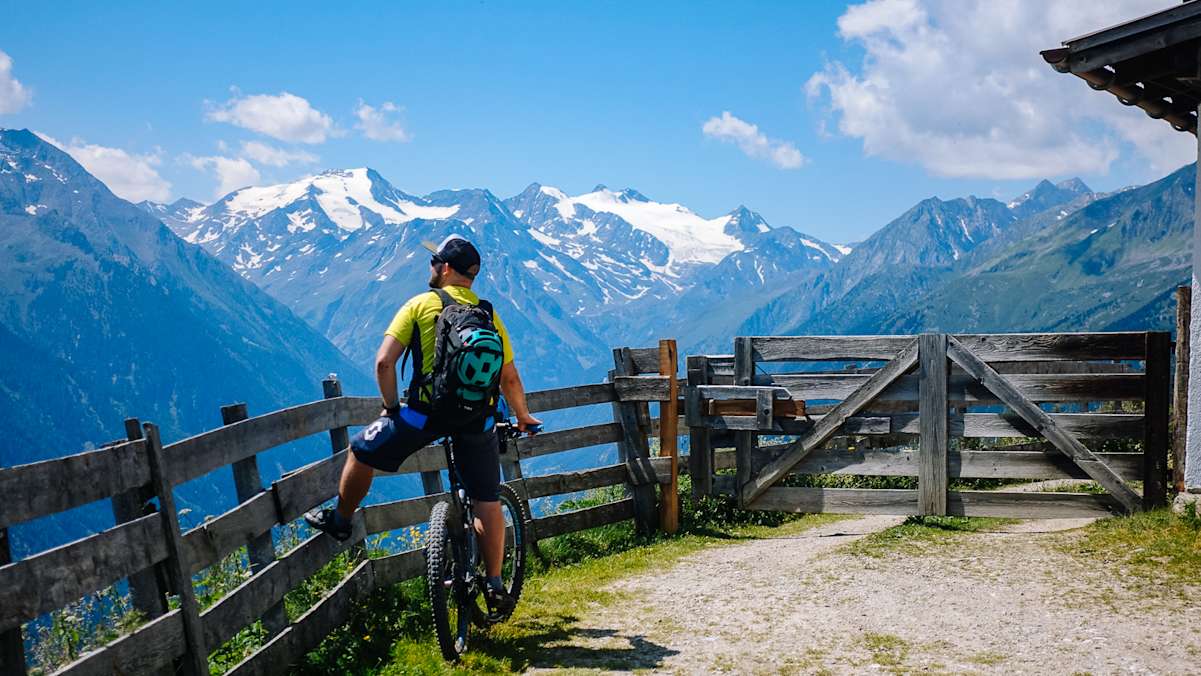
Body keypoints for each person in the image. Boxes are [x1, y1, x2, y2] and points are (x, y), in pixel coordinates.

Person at [304, 234, 542, 615]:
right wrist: (523, 416)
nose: (430, 266)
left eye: (434, 261)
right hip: (476, 419)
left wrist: (390, 409)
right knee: (486, 500)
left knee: (361, 451)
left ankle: (341, 520)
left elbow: (384, 362)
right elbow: (509, 378)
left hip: (423, 416)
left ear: (445, 268)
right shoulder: (488, 314)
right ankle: (495, 583)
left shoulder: (419, 305)